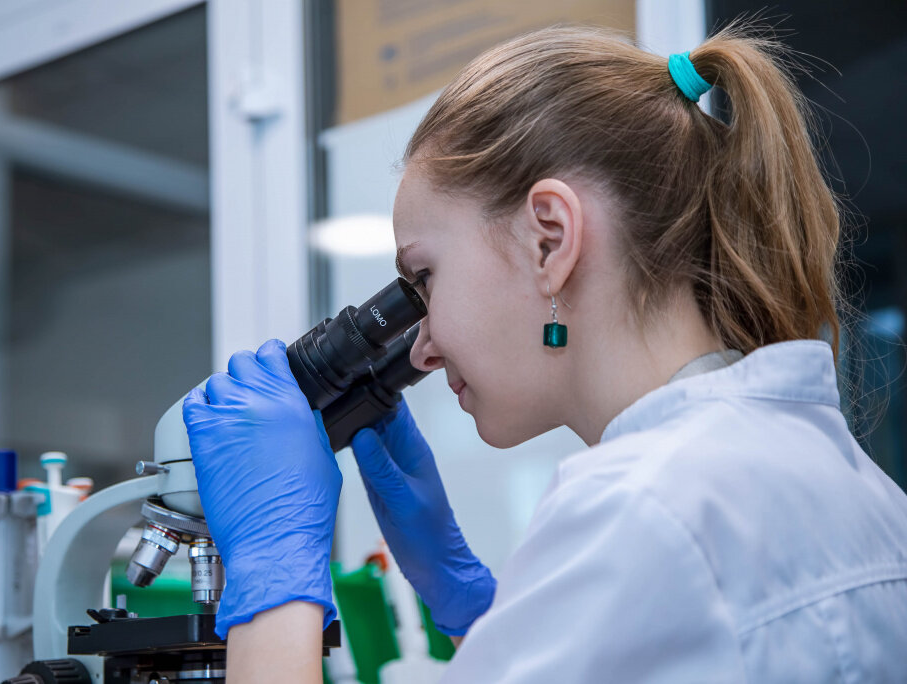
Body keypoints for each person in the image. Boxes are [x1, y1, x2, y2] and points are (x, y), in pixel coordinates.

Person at [182, 22, 907, 683]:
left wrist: (272, 574)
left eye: (424, 279)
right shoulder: (856, 487)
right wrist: (475, 611)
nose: (422, 349)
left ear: (550, 240)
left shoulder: (641, 509)